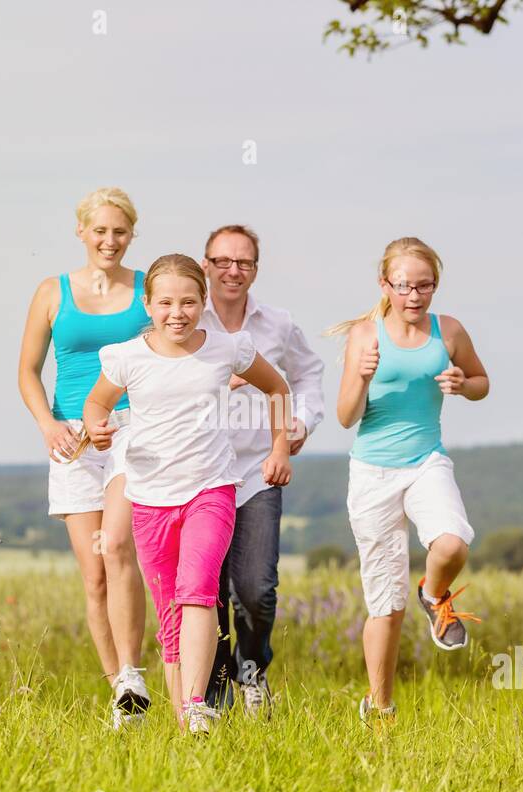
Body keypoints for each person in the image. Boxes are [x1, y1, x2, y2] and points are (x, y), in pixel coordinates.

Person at [82, 254, 293, 735]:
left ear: (203, 302)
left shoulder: (227, 348)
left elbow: (277, 387)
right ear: (147, 304)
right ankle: (186, 724)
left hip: (210, 488)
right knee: (170, 614)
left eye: (188, 302)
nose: (177, 313)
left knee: (198, 590)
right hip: (151, 497)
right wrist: (97, 427)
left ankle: (197, 703)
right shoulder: (127, 357)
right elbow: (97, 402)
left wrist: (279, 446)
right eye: (165, 303)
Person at [330, 236, 490, 723]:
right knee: (386, 604)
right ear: (385, 284)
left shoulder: (451, 331)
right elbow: (345, 417)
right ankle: (380, 709)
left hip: (426, 461)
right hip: (373, 472)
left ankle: (436, 595)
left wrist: (464, 385)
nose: (415, 296)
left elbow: (483, 382)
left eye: (425, 286)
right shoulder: (366, 334)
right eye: (404, 286)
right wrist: (358, 376)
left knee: (452, 543)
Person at [16, 187, 152, 730]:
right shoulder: (53, 291)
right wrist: (47, 424)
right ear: (81, 232)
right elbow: (27, 370)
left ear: (131, 234)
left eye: (120, 232)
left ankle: (136, 671)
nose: (110, 241)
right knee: (94, 575)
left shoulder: (148, 290)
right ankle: (121, 692)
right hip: (71, 439)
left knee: (118, 549)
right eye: (100, 231)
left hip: (129, 432)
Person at [197, 225, 325, 717]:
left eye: (244, 262)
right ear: (205, 263)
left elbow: (308, 373)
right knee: (207, 589)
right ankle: (213, 688)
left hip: (258, 469)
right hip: (199, 472)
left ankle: (251, 672)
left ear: (256, 269)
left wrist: (302, 422)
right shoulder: (186, 316)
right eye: (223, 261)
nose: (233, 270)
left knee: (254, 587)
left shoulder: (278, 324)